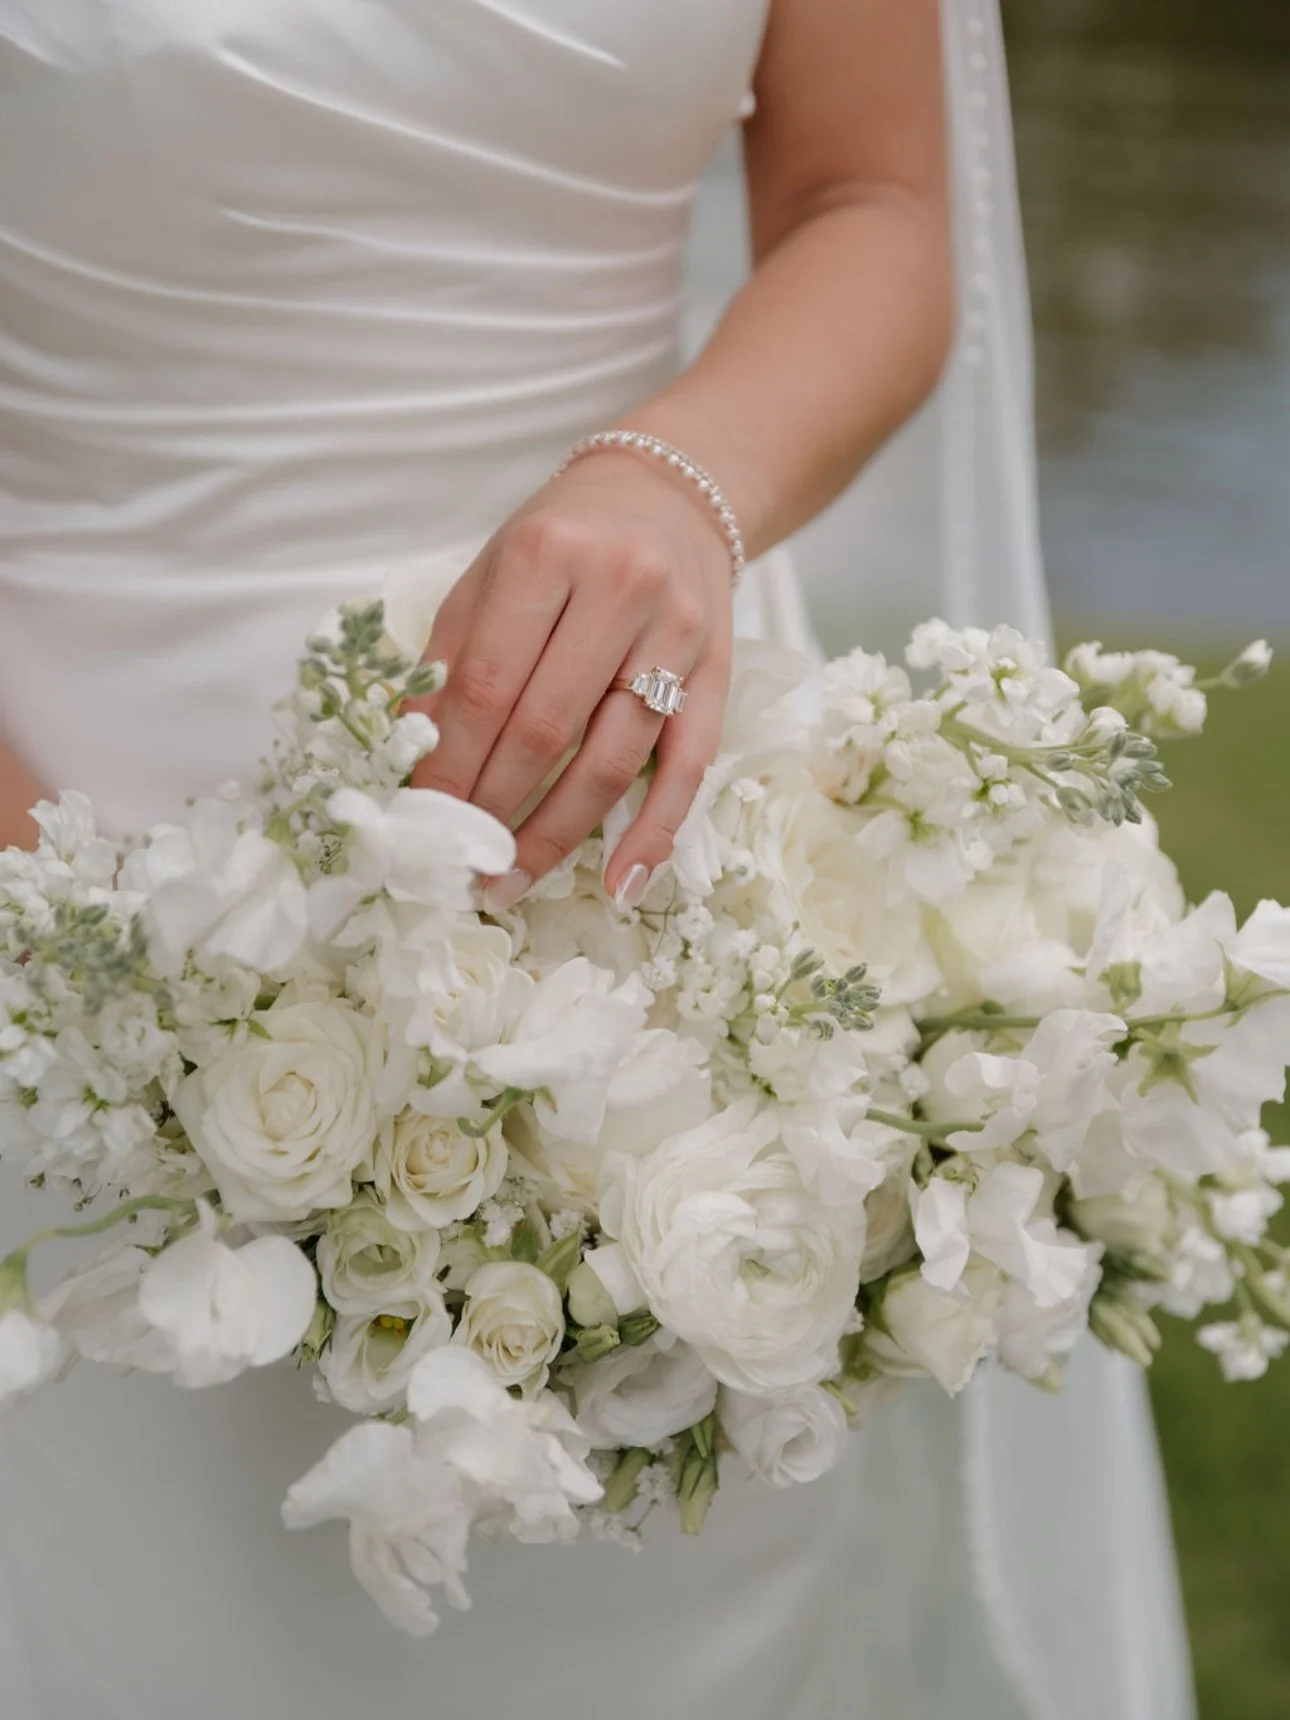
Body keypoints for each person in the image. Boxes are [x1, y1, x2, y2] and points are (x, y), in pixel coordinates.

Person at [0, 2, 1195, 1715]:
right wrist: (79, 972)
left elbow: (873, 203)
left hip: (657, 903)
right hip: (72, 874)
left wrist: (678, 482)